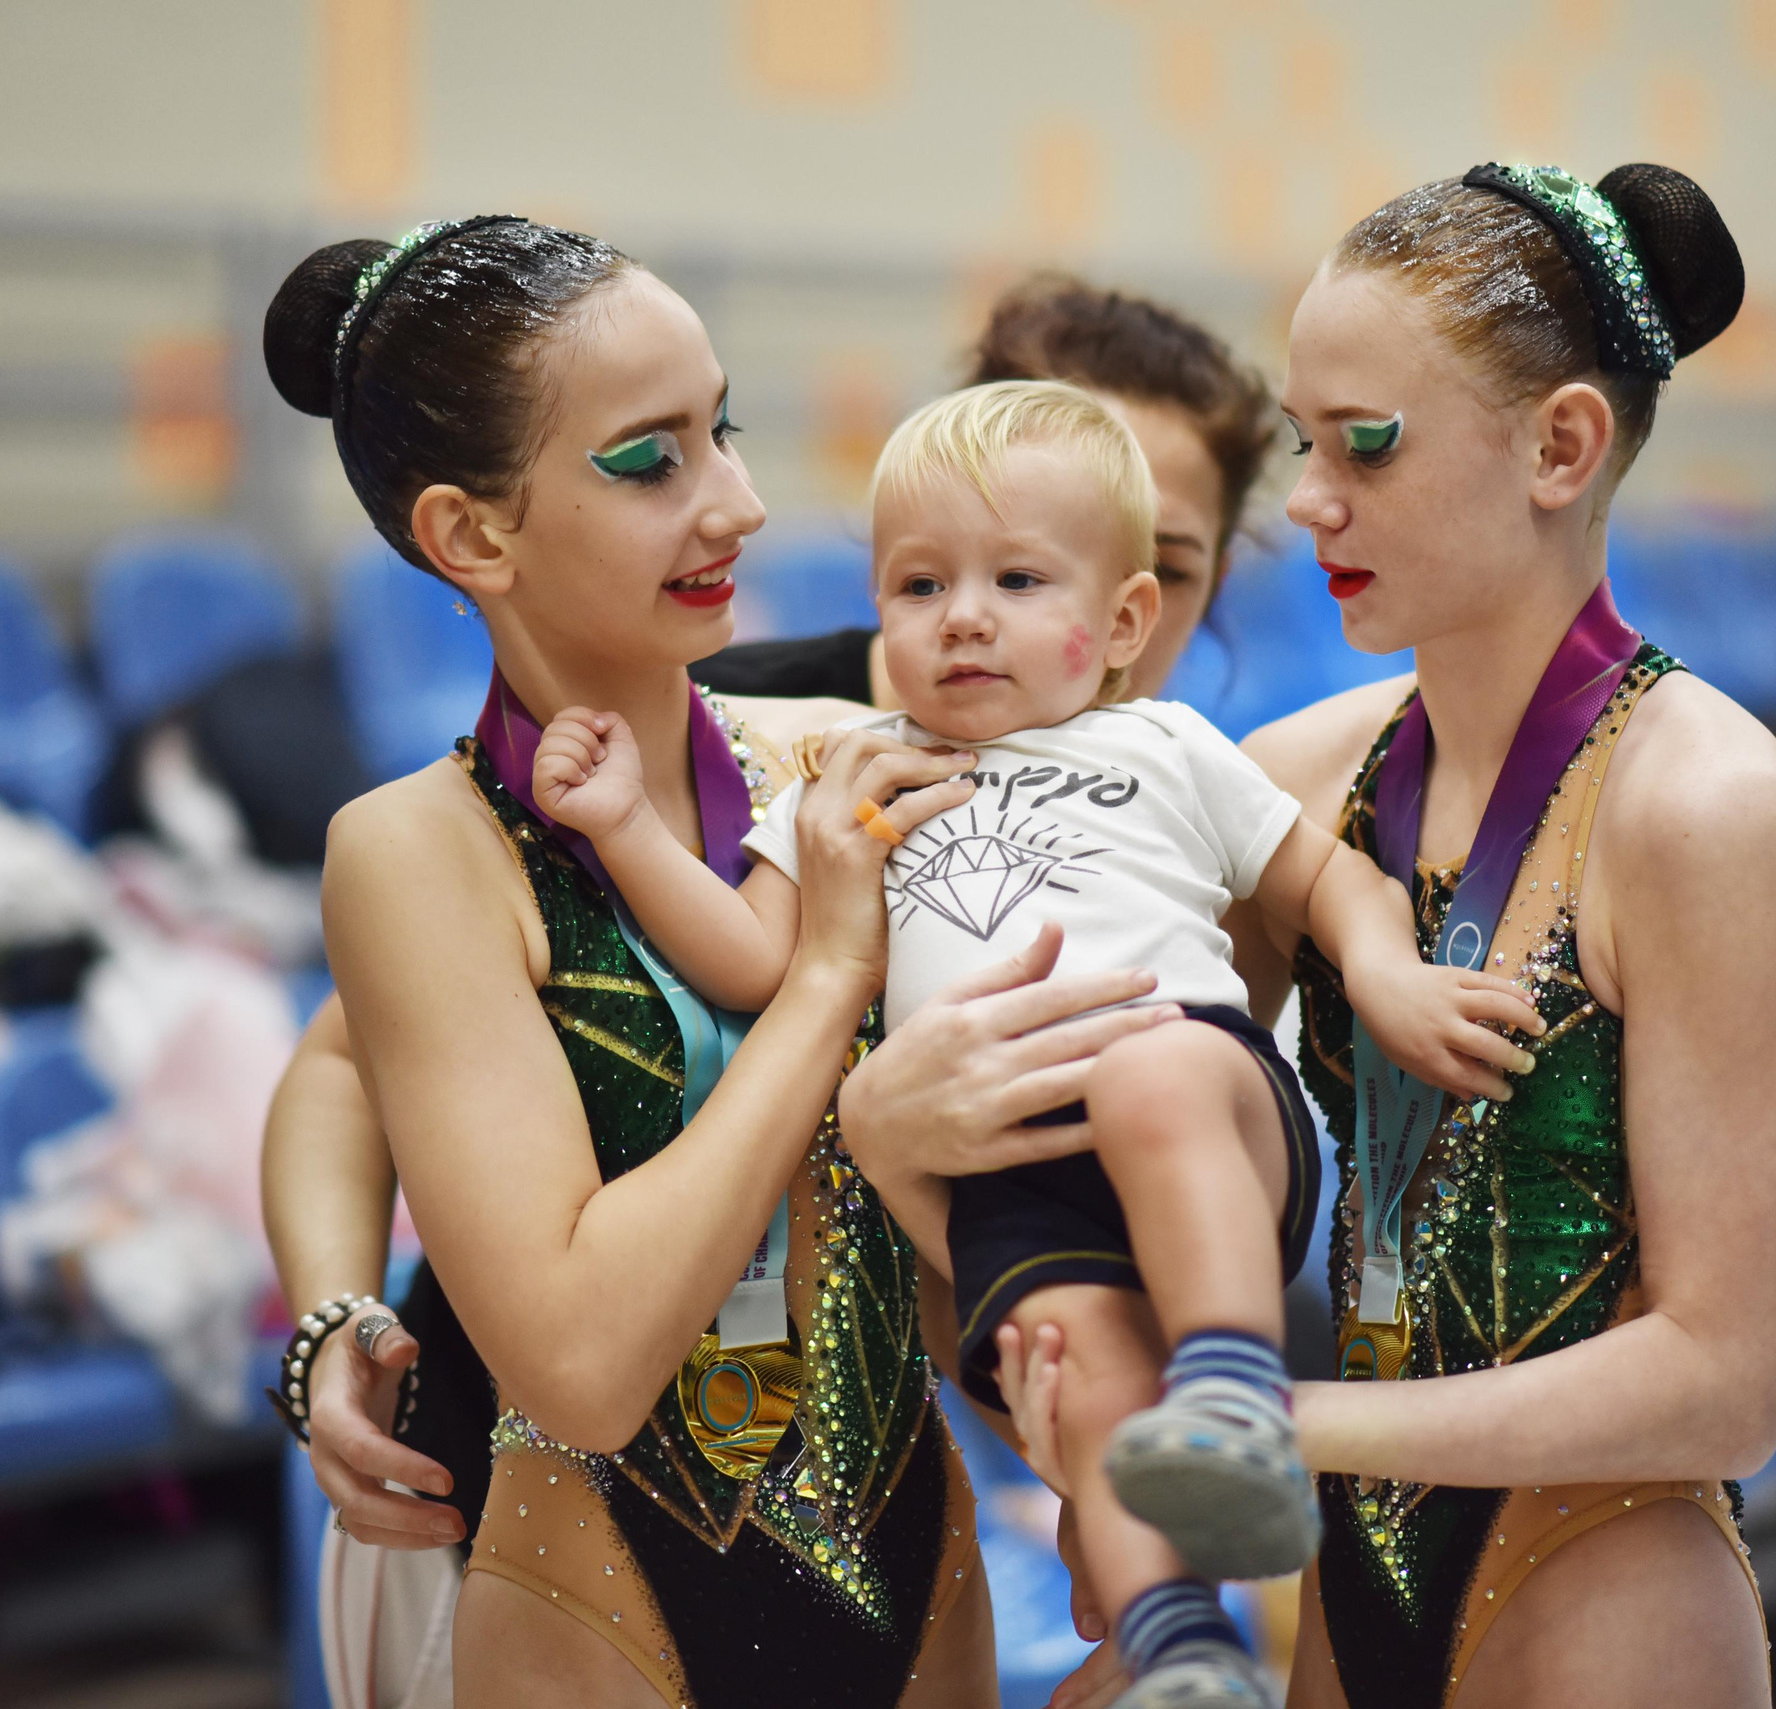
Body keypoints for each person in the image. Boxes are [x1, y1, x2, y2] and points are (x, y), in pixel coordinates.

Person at [877, 163, 1776, 1709]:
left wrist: (1265, 1420)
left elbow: (1727, 1384)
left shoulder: (1703, 808)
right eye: (1306, 444)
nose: (1311, 501)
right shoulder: (1291, 779)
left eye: (1367, 446)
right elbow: (1072, 1190)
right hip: (1347, 1572)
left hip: (1600, 1573)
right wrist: (898, 1149)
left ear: (1560, 444)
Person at [257, 272, 1277, 1707]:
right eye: (655, 457)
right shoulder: (429, 844)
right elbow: (351, 1076)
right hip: (587, 1556)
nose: (738, 502)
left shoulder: (869, 754)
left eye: (724, 432)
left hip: (912, 1549)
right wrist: (329, 1318)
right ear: (472, 532)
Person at [533, 379, 1542, 1708]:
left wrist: (1390, 971)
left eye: (1015, 579)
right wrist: (625, 834)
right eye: (918, 583)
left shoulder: (1164, 743)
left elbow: (1325, 880)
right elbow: (749, 958)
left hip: (1204, 1109)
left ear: (1123, 621)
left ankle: (1235, 1382)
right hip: (1013, 1181)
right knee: (1086, 1386)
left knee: (1151, 1072)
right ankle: (1183, 1646)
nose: (961, 615)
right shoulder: (857, 774)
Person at [692, 274, 1271, 710]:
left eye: (1164, 566)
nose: (1108, 610)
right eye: (1020, 569)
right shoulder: (718, 719)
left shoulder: (1199, 800)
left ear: (1212, 587)